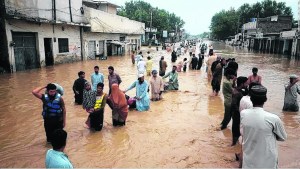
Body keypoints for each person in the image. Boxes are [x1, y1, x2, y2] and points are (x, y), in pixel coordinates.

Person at [240, 85, 287, 168]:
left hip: (249, 161)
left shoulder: (243, 114)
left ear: (251, 99)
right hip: (267, 161)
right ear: (265, 99)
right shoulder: (273, 118)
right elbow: (283, 137)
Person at [231, 76, 248, 146]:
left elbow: (245, 94)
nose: (247, 84)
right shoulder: (237, 93)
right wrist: (239, 112)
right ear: (242, 84)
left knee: (237, 129)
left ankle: (235, 143)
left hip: (237, 113)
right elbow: (233, 104)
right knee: (236, 129)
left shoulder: (238, 90)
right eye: (246, 83)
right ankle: (234, 144)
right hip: (236, 114)